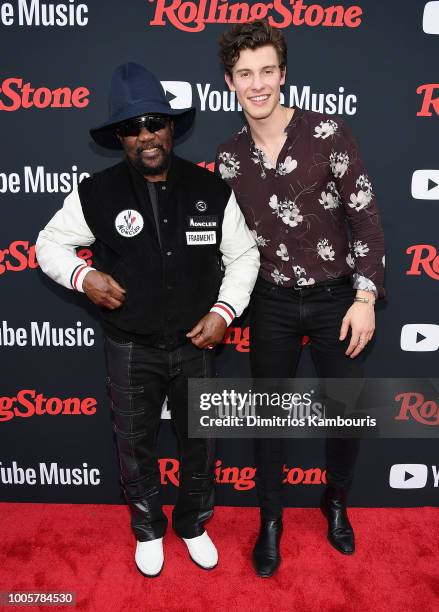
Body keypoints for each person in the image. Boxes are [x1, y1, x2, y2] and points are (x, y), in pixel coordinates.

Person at [36, 62, 259, 577]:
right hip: (129, 347)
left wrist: (224, 311)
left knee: (201, 443)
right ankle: (147, 530)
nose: (145, 136)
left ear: (171, 127)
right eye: (133, 128)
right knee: (134, 445)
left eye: (154, 123)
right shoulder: (97, 192)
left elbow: (245, 256)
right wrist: (82, 277)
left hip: (196, 344)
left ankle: (194, 524)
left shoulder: (210, 190)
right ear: (119, 137)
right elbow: (49, 244)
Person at [216, 21, 385, 577]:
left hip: (339, 297)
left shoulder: (328, 133)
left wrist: (364, 296)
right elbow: (228, 246)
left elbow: (365, 217)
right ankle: (270, 520)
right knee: (268, 419)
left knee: (347, 413)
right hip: (270, 303)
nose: (257, 83)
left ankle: (335, 501)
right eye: (246, 74)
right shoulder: (229, 158)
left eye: (267, 71)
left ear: (283, 75)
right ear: (229, 81)